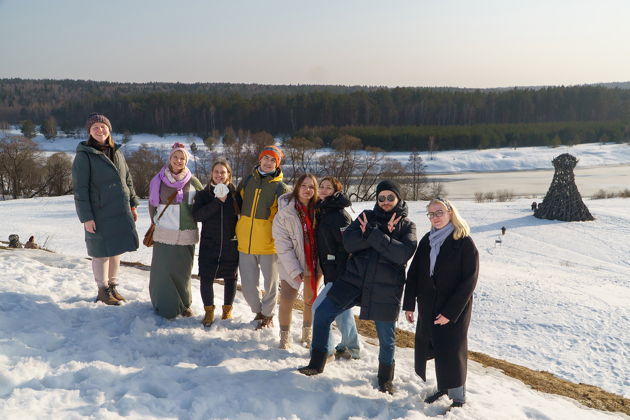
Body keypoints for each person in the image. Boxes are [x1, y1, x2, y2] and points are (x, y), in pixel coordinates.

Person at [299, 180, 417, 395]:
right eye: (381, 198)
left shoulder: (407, 225)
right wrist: (382, 235)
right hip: (352, 281)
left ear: (399, 199)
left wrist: (372, 234)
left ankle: (385, 379)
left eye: (390, 197)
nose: (385, 202)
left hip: (385, 287)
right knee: (323, 313)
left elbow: (402, 254)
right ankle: (316, 363)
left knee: (386, 338)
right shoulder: (365, 216)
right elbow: (349, 243)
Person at [403, 197, 479, 409]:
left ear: (450, 213)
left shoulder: (463, 241)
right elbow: (415, 273)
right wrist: (409, 303)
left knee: (453, 350)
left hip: (455, 309)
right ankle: (444, 387)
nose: (435, 217)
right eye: (431, 214)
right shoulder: (428, 240)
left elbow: (469, 281)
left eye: (439, 212)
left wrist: (450, 312)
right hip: (429, 306)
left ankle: (458, 397)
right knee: (436, 347)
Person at [72, 113, 139, 306]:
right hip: (99, 211)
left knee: (116, 249)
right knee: (101, 251)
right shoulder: (84, 155)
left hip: (120, 209)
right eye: (95, 128)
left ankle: (113, 286)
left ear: (109, 129)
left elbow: (128, 180)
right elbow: (80, 189)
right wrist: (86, 217)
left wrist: (132, 204)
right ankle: (102, 289)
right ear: (89, 132)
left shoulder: (116, 151)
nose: (100, 130)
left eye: (103, 127)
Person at [235, 145, 290, 329]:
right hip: (245, 243)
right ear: (260, 159)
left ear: (277, 163)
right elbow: (236, 203)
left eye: (272, 159)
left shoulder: (281, 188)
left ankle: (267, 315)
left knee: (271, 285)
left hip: (269, 244)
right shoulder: (248, 180)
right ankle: (258, 311)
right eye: (266, 158)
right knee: (248, 287)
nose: (268, 162)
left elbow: (286, 217)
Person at [148, 142, 203, 319]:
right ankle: (165, 305)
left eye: (182, 158)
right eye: (175, 157)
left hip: (186, 233)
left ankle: (184, 304)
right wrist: (155, 222)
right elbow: (152, 205)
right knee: (163, 271)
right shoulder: (158, 180)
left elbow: (204, 203)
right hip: (164, 232)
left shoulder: (193, 182)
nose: (178, 161)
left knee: (183, 271)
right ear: (170, 158)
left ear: (186, 161)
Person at [272, 174, 322, 349]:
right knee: (287, 300)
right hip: (290, 264)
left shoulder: (320, 210)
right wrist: (295, 270)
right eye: (304, 186)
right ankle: (284, 337)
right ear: (297, 187)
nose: (307, 190)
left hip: (314, 264)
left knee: (310, 301)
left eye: (311, 187)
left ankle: (307, 335)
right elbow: (282, 245)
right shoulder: (285, 213)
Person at [313, 177, 360, 360]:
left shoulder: (339, 214)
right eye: (322, 187)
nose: (324, 190)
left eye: (328, 188)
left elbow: (348, 245)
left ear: (336, 191)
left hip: (340, 272)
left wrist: (338, 267)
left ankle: (327, 349)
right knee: (343, 311)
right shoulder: (323, 210)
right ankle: (353, 349)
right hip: (330, 269)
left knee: (319, 309)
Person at [192, 159, 240, 327]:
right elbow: (198, 216)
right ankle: (209, 310)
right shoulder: (203, 195)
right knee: (206, 278)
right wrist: (217, 201)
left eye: (223, 172)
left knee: (230, 277)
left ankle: (227, 309)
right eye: (216, 172)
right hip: (209, 244)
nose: (219, 175)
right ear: (211, 174)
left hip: (230, 244)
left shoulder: (235, 195)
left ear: (229, 175)